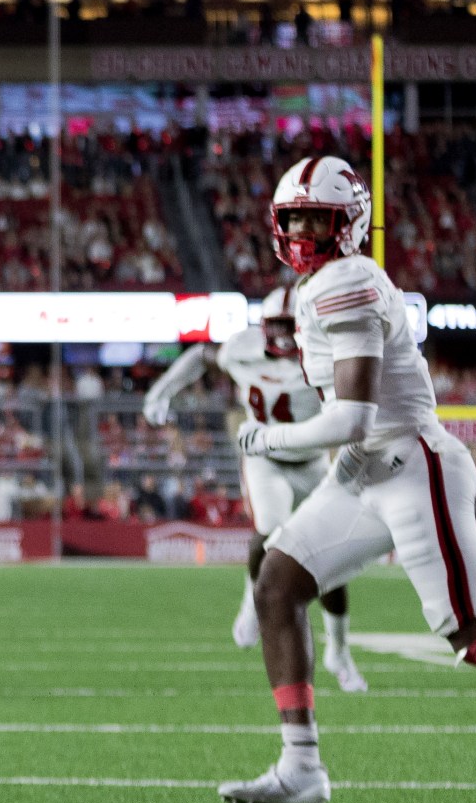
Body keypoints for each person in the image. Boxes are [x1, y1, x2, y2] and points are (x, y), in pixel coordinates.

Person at [220, 157, 476, 803]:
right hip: (365, 470)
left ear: (347, 225)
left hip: (415, 470)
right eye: (293, 217)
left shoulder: (348, 280)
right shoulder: (321, 286)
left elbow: (353, 414)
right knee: (277, 586)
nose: (301, 230)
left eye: (315, 218)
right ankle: (301, 766)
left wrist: (267, 439)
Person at [144, 286, 366, 692]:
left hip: (313, 462)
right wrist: (162, 390)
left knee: (330, 559)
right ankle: (252, 603)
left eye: (289, 326)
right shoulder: (241, 348)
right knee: (269, 532)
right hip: (265, 460)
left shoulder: (324, 354)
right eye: (275, 326)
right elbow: (200, 356)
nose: (282, 336)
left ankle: (338, 649)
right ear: (262, 327)